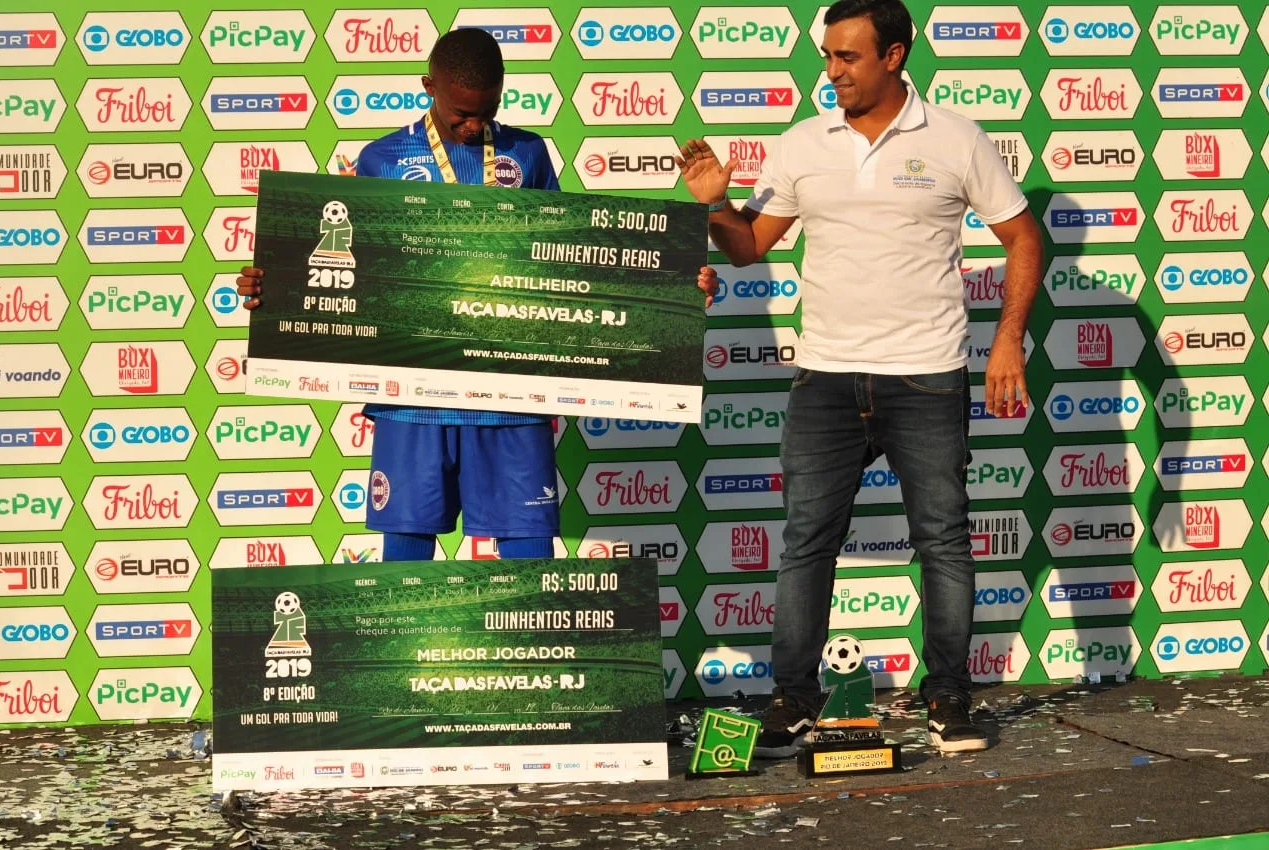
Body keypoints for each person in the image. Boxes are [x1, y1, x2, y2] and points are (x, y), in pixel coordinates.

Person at [679, 0, 1043, 756]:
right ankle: (793, 699)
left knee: (943, 540)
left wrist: (1008, 340)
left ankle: (949, 697)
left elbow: (1021, 236)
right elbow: (748, 247)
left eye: (848, 56)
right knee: (807, 542)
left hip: (928, 376)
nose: (832, 70)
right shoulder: (804, 143)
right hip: (826, 379)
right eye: (829, 55)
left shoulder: (955, 138)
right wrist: (716, 209)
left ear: (895, 55)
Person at [240, 28, 716, 564]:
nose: (473, 125)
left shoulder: (528, 153)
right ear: (428, 87)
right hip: (411, 397)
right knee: (405, 557)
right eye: (460, 115)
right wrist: (274, 288)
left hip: (512, 396)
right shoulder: (381, 159)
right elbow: (347, 265)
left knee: (530, 554)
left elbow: (575, 263)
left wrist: (675, 288)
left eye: (485, 112)